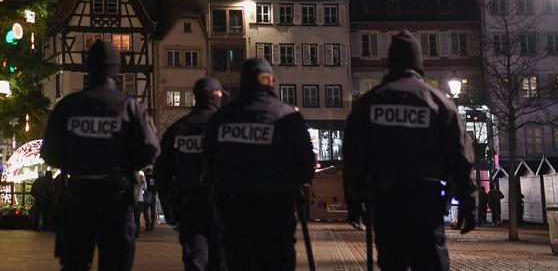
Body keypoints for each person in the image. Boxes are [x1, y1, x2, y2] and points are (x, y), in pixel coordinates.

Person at [344, 30, 477, 271]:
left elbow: (354, 156)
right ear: (418, 62)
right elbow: (459, 155)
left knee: (392, 262)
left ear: (390, 62)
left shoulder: (369, 103)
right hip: (426, 202)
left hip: (387, 202)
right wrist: (468, 200)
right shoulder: (440, 103)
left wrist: (354, 200)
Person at [41, 40, 160, 271]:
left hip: (77, 195)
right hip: (115, 196)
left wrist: (74, 163)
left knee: (74, 264)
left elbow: (48, 151)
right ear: (116, 69)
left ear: (89, 67)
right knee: (116, 263)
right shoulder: (129, 106)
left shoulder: (68, 106)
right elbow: (151, 149)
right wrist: (126, 166)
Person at [203, 58, 315, 270]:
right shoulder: (288, 116)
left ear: (242, 82)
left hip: (235, 211)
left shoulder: (222, 118)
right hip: (277, 209)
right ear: (270, 82)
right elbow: (307, 166)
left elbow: (209, 162)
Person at [156, 77, 227, 271]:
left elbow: (161, 170)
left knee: (194, 258)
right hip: (223, 204)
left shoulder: (178, 129)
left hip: (189, 204)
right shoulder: (225, 128)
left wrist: (167, 203)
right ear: (217, 96)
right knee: (221, 259)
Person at [133, 170, 146, 237]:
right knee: (137, 218)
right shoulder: (142, 177)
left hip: (132, 200)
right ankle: (136, 233)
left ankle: (132, 232)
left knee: (131, 217)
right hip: (140, 200)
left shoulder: (130, 175)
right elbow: (145, 188)